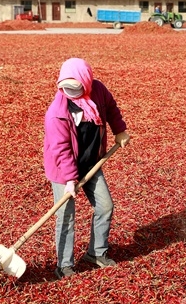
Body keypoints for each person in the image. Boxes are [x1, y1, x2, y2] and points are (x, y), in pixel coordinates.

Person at [44, 58, 130, 279]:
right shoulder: (57, 112)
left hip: (91, 163)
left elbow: (111, 108)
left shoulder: (97, 90)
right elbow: (61, 149)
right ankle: (64, 266)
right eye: (65, 87)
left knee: (105, 206)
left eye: (75, 87)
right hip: (63, 170)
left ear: (86, 81)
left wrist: (119, 130)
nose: (70, 92)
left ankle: (96, 253)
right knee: (66, 217)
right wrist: (70, 180)